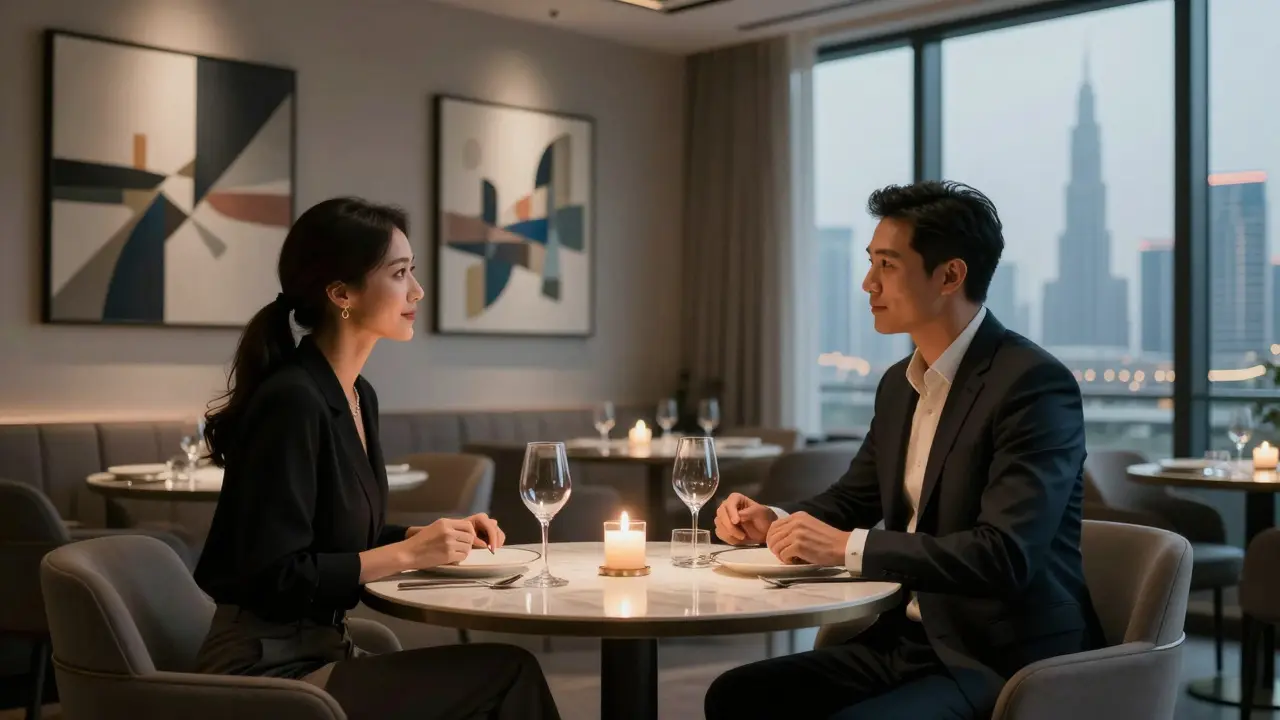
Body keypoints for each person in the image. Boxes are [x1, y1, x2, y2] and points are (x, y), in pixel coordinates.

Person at [706, 181, 1101, 720]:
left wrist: (848, 547)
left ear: (950, 275)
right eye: (871, 263)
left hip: (1000, 658)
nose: (868, 283)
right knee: (736, 696)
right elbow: (852, 498)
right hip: (904, 642)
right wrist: (774, 521)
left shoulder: (1031, 385)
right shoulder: (899, 384)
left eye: (887, 266)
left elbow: (1004, 556)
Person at [193, 197, 561, 720]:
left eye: (413, 272)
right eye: (399, 273)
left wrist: (426, 537)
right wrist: (410, 557)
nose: (417, 291)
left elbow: (333, 540)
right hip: (266, 670)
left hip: (320, 650)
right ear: (341, 293)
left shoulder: (357, 394)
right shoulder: (292, 399)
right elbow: (272, 575)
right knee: (508, 673)